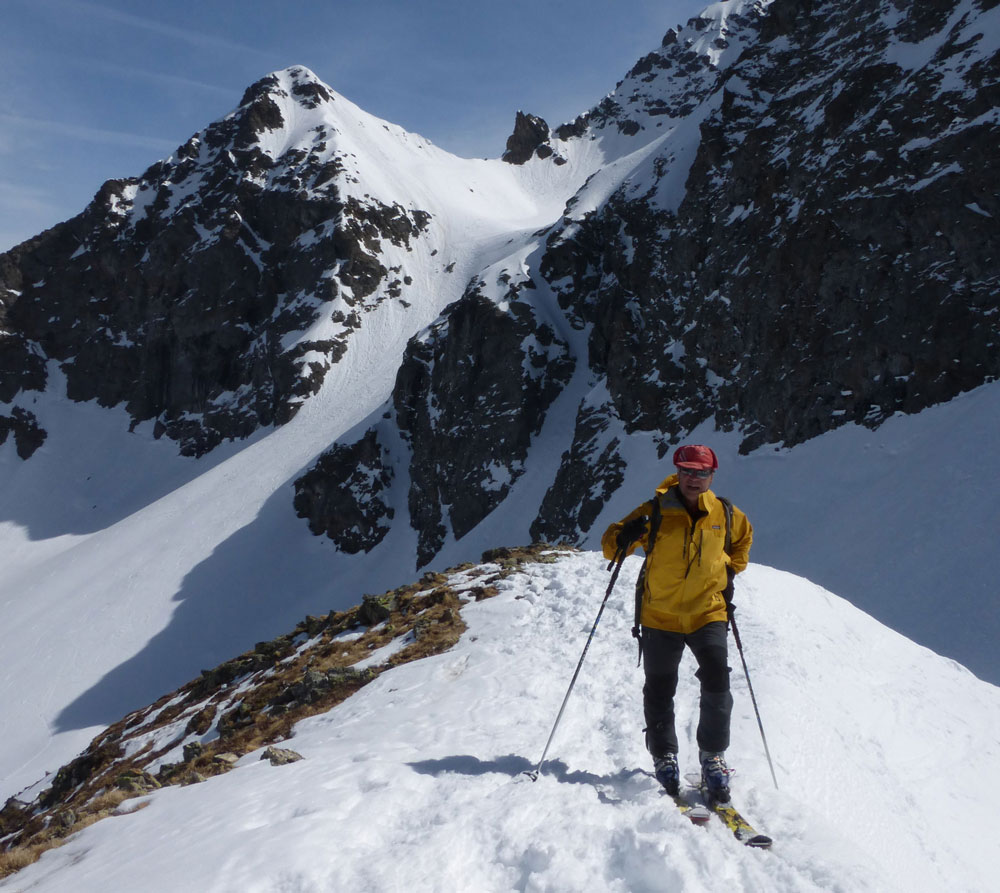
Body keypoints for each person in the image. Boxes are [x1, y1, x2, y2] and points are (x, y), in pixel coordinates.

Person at [601, 444, 752, 802]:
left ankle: (712, 756)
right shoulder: (654, 512)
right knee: (660, 686)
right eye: (687, 471)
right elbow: (611, 547)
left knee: (717, 679)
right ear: (677, 472)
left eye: (701, 473)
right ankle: (664, 754)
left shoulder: (726, 513)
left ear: (712, 475)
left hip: (707, 613)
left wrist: (727, 568)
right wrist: (624, 535)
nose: (693, 479)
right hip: (661, 614)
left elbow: (742, 543)